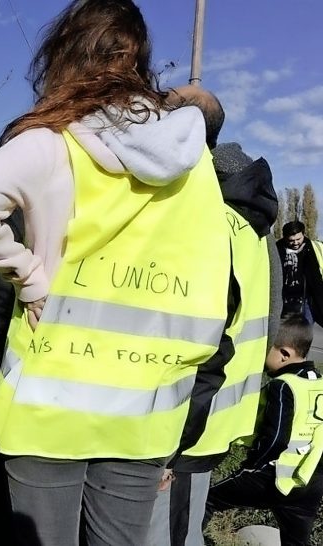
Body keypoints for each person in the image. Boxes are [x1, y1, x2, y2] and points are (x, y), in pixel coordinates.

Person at [0, 1, 232, 544]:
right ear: (139, 61)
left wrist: (27, 274)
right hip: (146, 407)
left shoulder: (51, 143)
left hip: (49, 406)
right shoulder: (195, 166)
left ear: (64, 58)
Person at [145, 86, 280, 546]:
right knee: (183, 528)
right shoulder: (251, 224)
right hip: (216, 416)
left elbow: (206, 340)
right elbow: (268, 316)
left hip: (185, 422)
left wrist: (173, 442)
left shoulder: (207, 220)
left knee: (166, 534)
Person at [204, 316, 323, 546]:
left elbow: (277, 437)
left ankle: (189, 541)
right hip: (310, 482)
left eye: (266, 348)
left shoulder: (283, 386)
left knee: (207, 499)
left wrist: (252, 465)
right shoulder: (318, 383)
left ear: (284, 354)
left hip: (274, 477)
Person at [277, 220, 323, 324]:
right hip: (284, 300)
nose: (296, 243)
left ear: (304, 234)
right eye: (291, 240)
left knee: (305, 333)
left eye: (298, 239)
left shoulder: (312, 249)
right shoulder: (277, 249)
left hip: (306, 300)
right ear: (285, 237)